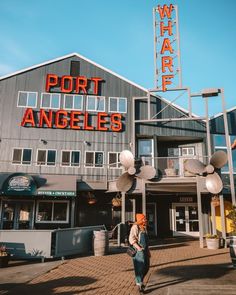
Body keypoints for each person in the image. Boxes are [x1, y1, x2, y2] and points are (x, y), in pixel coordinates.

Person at [129, 213, 150, 293]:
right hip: (138, 251)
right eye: (144, 219)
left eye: (145, 218)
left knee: (146, 267)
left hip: (145, 250)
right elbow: (131, 239)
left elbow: (146, 242)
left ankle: (140, 281)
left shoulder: (144, 227)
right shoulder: (135, 227)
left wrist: (148, 251)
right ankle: (139, 285)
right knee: (139, 268)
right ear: (140, 219)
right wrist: (139, 248)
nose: (145, 220)